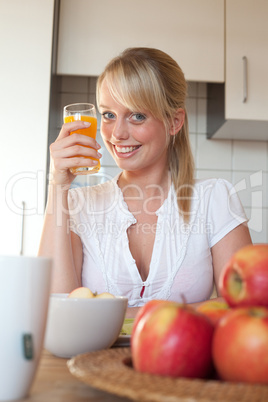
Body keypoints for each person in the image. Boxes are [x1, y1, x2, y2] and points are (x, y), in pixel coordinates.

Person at [38, 47, 252, 317]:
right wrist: (57, 185)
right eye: (108, 115)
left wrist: (129, 315)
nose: (117, 133)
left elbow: (243, 308)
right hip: (89, 361)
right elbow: (56, 311)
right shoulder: (79, 203)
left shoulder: (215, 198)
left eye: (137, 116)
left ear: (174, 121)